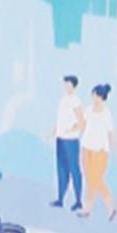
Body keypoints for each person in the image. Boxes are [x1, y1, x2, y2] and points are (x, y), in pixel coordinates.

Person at [80, 84, 117, 219]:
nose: (94, 98)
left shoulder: (106, 114)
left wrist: (111, 149)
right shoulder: (88, 110)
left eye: (96, 96)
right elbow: (82, 125)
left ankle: (88, 208)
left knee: (95, 180)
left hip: (100, 151)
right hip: (86, 148)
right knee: (90, 179)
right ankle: (110, 207)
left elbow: (111, 133)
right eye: (93, 95)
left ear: (102, 97)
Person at [50, 75, 85, 211]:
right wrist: (53, 132)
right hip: (60, 138)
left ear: (73, 86)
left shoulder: (76, 101)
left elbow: (82, 121)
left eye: (68, 84)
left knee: (74, 169)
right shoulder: (63, 100)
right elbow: (60, 120)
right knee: (61, 169)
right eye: (65, 84)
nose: (66, 87)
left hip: (71, 140)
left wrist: (73, 129)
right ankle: (60, 198)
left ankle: (78, 200)